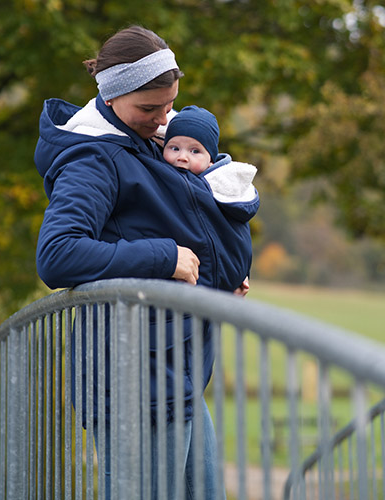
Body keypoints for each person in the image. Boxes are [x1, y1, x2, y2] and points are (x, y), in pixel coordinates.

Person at [34, 25, 257, 499]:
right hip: (134, 378)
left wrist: (222, 280)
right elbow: (57, 254)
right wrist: (163, 257)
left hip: (176, 368)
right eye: (148, 108)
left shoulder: (145, 141)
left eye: (168, 104)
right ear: (112, 98)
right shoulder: (93, 158)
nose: (162, 122)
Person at [162, 104, 259, 296]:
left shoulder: (221, 192)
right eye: (174, 148)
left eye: (195, 151)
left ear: (211, 161)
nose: (182, 157)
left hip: (210, 287)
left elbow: (237, 236)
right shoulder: (167, 180)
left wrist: (240, 272)